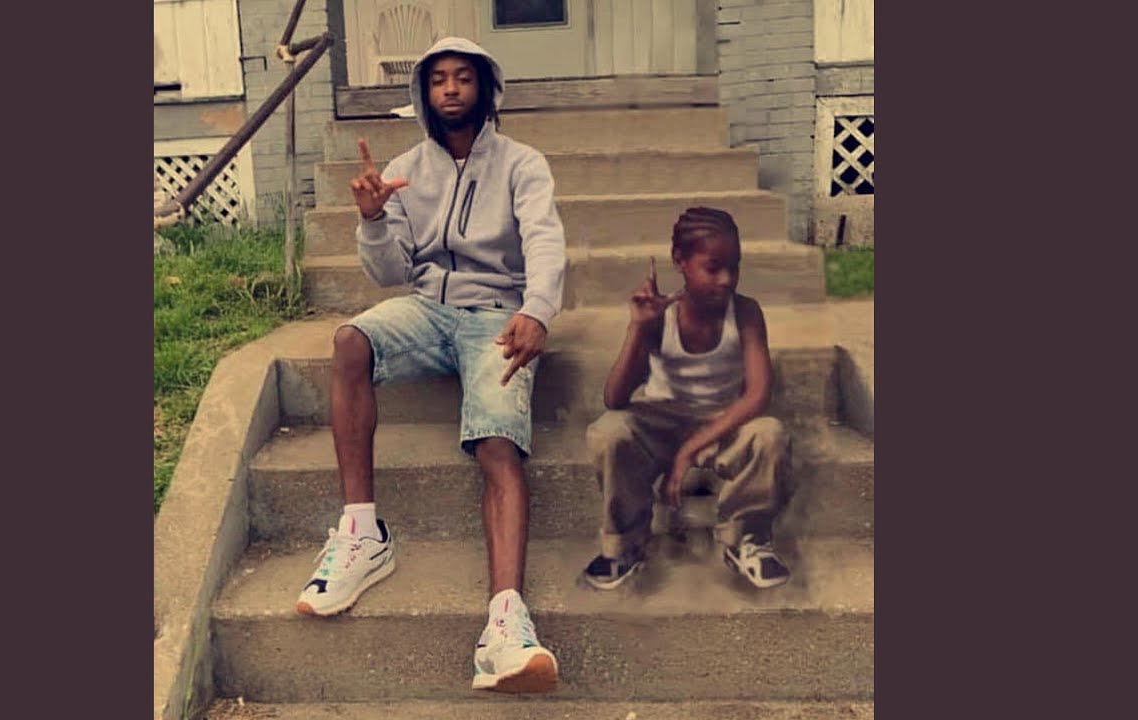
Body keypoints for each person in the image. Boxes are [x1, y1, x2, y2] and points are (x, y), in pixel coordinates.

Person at [294, 36, 566, 694]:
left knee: (497, 437)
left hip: (498, 315)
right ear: (424, 92)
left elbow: (544, 239)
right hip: (428, 310)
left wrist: (537, 311)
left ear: (485, 89)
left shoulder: (522, 164)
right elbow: (390, 273)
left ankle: (506, 623)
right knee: (350, 340)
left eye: (462, 78)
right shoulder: (406, 169)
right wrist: (372, 219)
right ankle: (363, 534)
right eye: (438, 79)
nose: (450, 89)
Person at [580, 207, 794, 591]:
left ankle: (746, 538)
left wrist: (688, 453)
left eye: (734, 267)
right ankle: (624, 543)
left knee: (770, 434)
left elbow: (758, 395)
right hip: (660, 422)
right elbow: (615, 397)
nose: (726, 279)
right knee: (608, 433)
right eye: (713, 268)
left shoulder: (745, 311)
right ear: (680, 260)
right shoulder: (660, 317)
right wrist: (638, 328)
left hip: (720, 423)